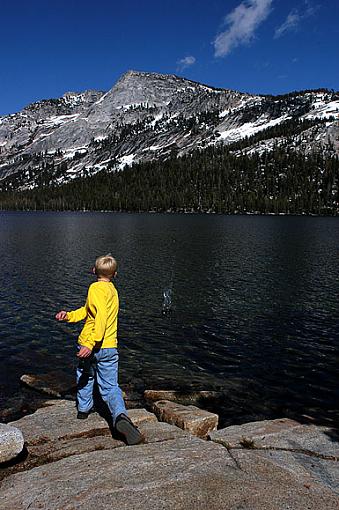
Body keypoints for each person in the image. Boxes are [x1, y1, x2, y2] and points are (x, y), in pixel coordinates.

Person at [55, 253, 142, 445]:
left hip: (93, 344)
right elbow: (87, 312)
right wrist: (68, 316)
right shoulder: (112, 290)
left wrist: (90, 343)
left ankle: (83, 410)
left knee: (85, 375)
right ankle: (120, 417)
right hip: (110, 347)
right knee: (110, 386)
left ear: (94, 271)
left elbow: (100, 317)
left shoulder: (95, 288)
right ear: (115, 274)